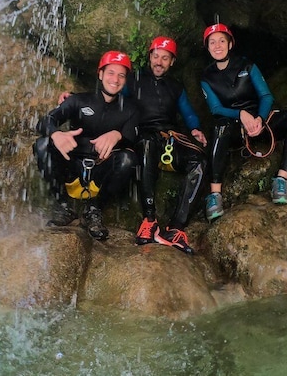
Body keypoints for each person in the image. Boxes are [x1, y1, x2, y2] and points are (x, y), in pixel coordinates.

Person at [200, 23, 287, 221]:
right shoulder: (207, 77)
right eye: (212, 42)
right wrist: (240, 114)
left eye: (221, 41)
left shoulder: (247, 66)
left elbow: (266, 96)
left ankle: (281, 179)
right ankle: (215, 194)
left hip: (261, 120)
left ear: (230, 44)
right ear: (207, 48)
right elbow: (215, 109)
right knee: (219, 127)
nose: (217, 46)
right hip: (234, 126)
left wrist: (260, 118)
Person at [34, 51, 140, 241]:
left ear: (126, 80)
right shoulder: (78, 100)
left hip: (101, 169)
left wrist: (116, 135)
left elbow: (132, 138)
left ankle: (94, 209)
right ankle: (63, 206)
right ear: (100, 74)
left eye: (121, 75)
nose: (115, 79)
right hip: (71, 166)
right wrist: (56, 134)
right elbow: (45, 121)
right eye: (110, 73)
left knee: (128, 158)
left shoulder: (131, 109)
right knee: (42, 144)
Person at [130, 36, 208, 255]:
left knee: (199, 161)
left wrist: (195, 129)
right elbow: (109, 95)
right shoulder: (134, 79)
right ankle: (149, 220)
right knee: (146, 143)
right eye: (156, 56)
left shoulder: (175, 87)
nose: (159, 62)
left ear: (172, 62)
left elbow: (188, 113)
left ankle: (175, 228)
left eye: (165, 58)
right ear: (149, 57)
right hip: (144, 137)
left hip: (168, 140)